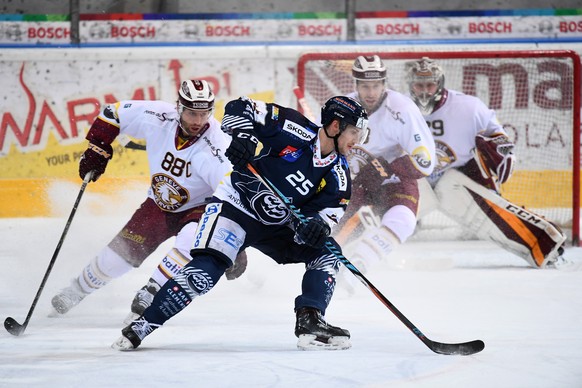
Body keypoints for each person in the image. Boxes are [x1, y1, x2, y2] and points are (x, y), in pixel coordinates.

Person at [112, 95, 369, 351]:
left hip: (277, 226)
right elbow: (240, 107)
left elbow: (327, 216)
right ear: (335, 127)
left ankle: (311, 321)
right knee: (205, 272)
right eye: (354, 132)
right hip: (236, 207)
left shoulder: (339, 175)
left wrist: (317, 228)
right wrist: (243, 136)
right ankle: (143, 326)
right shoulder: (293, 128)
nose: (358, 141)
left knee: (327, 252)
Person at [51, 79, 247, 322]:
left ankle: (152, 291)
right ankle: (76, 290)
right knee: (118, 257)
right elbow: (112, 113)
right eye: (192, 113)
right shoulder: (158, 116)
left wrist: (236, 244)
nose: (198, 121)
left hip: (201, 206)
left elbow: (233, 194)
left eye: (204, 113)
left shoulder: (218, 145)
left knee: (192, 240)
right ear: (179, 107)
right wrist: (98, 147)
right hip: (158, 203)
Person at [404, 57, 566, 268]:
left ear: (440, 83)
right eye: (419, 85)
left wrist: (502, 150)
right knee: (388, 209)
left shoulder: (469, 107)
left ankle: (545, 244)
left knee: (478, 210)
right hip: (416, 181)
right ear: (410, 84)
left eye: (430, 84)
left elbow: (499, 138)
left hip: (457, 179)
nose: (425, 90)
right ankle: (354, 248)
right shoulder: (401, 108)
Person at [332, 55, 436, 291]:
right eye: (365, 86)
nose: (371, 92)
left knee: (404, 220)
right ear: (356, 85)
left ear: (384, 83)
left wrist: (386, 168)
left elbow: (426, 161)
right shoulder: (340, 108)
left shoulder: (402, 109)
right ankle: (292, 268)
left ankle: (359, 264)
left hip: (393, 180)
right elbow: (319, 148)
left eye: (376, 85)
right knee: (331, 232)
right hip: (353, 183)